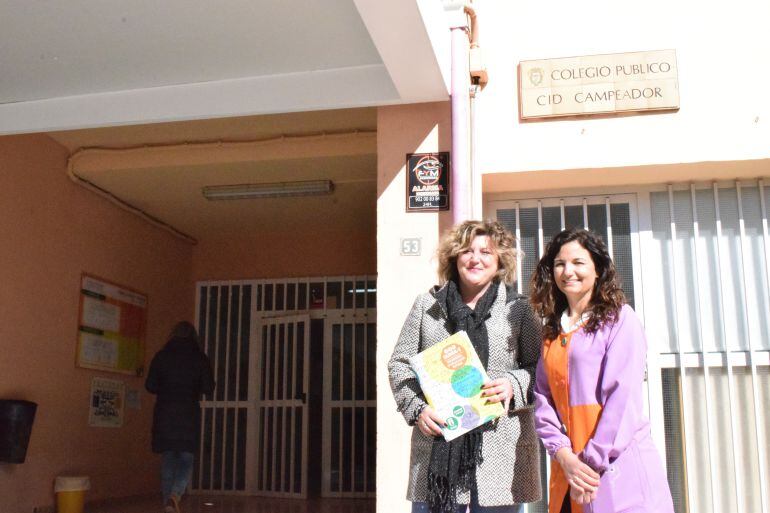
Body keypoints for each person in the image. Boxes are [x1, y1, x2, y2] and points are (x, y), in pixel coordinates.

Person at [388, 220, 542, 513]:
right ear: (454, 258)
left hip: (501, 452)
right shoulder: (427, 306)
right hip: (437, 447)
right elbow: (399, 364)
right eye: (467, 251)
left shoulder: (519, 309)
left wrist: (513, 384)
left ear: (499, 261)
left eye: (486, 252)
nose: (476, 258)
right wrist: (418, 410)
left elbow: (541, 370)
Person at [530, 228, 674, 513]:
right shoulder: (552, 331)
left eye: (578, 262)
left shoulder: (620, 319)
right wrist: (562, 454)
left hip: (614, 468)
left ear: (598, 269)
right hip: (569, 472)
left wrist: (588, 463)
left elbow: (623, 399)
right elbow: (542, 399)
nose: (567, 271)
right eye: (559, 264)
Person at [145, 321, 215, 513]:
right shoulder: (200, 358)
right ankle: (175, 496)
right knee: (186, 457)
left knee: (168, 456)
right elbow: (208, 387)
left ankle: (168, 502)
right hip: (188, 414)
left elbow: (150, 385)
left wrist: (167, 387)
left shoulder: (161, 356)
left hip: (165, 412)